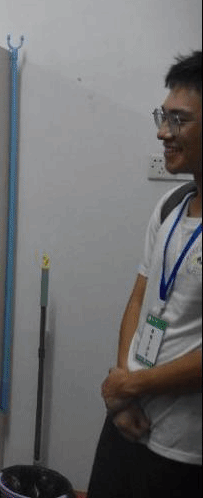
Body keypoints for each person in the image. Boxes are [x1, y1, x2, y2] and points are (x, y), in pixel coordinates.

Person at [87, 51, 202, 496]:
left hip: (182, 448)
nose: (162, 132)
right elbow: (140, 297)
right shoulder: (171, 206)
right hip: (126, 418)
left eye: (179, 120)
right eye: (163, 117)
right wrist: (123, 393)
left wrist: (130, 383)